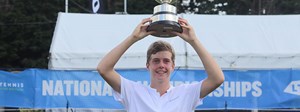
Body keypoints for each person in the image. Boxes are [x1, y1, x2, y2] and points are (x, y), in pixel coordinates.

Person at [97, 17, 225, 112]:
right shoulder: (133, 91)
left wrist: (193, 41)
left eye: (166, 61)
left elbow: (217, 79)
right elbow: (103, 69)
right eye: (156, 61)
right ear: (148, 65)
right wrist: (133, 38)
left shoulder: (186, 93)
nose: (161, 65)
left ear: (173, 66)